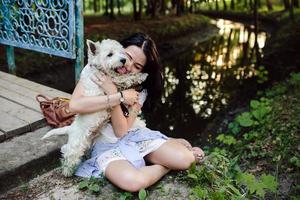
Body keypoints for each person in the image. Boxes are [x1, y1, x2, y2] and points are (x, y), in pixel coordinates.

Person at [69, 33, 205, 192]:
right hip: (104, 142)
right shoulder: (97, 70)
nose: (129, 66)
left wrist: (113, 94)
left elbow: (121, 130)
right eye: (128, 56)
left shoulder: (139, 87)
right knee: (134, 182)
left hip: (131, 133)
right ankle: (166, 164)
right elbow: (74, 105)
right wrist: (116, 96)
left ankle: (167, 147)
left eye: (138, 66)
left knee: (186, 160)